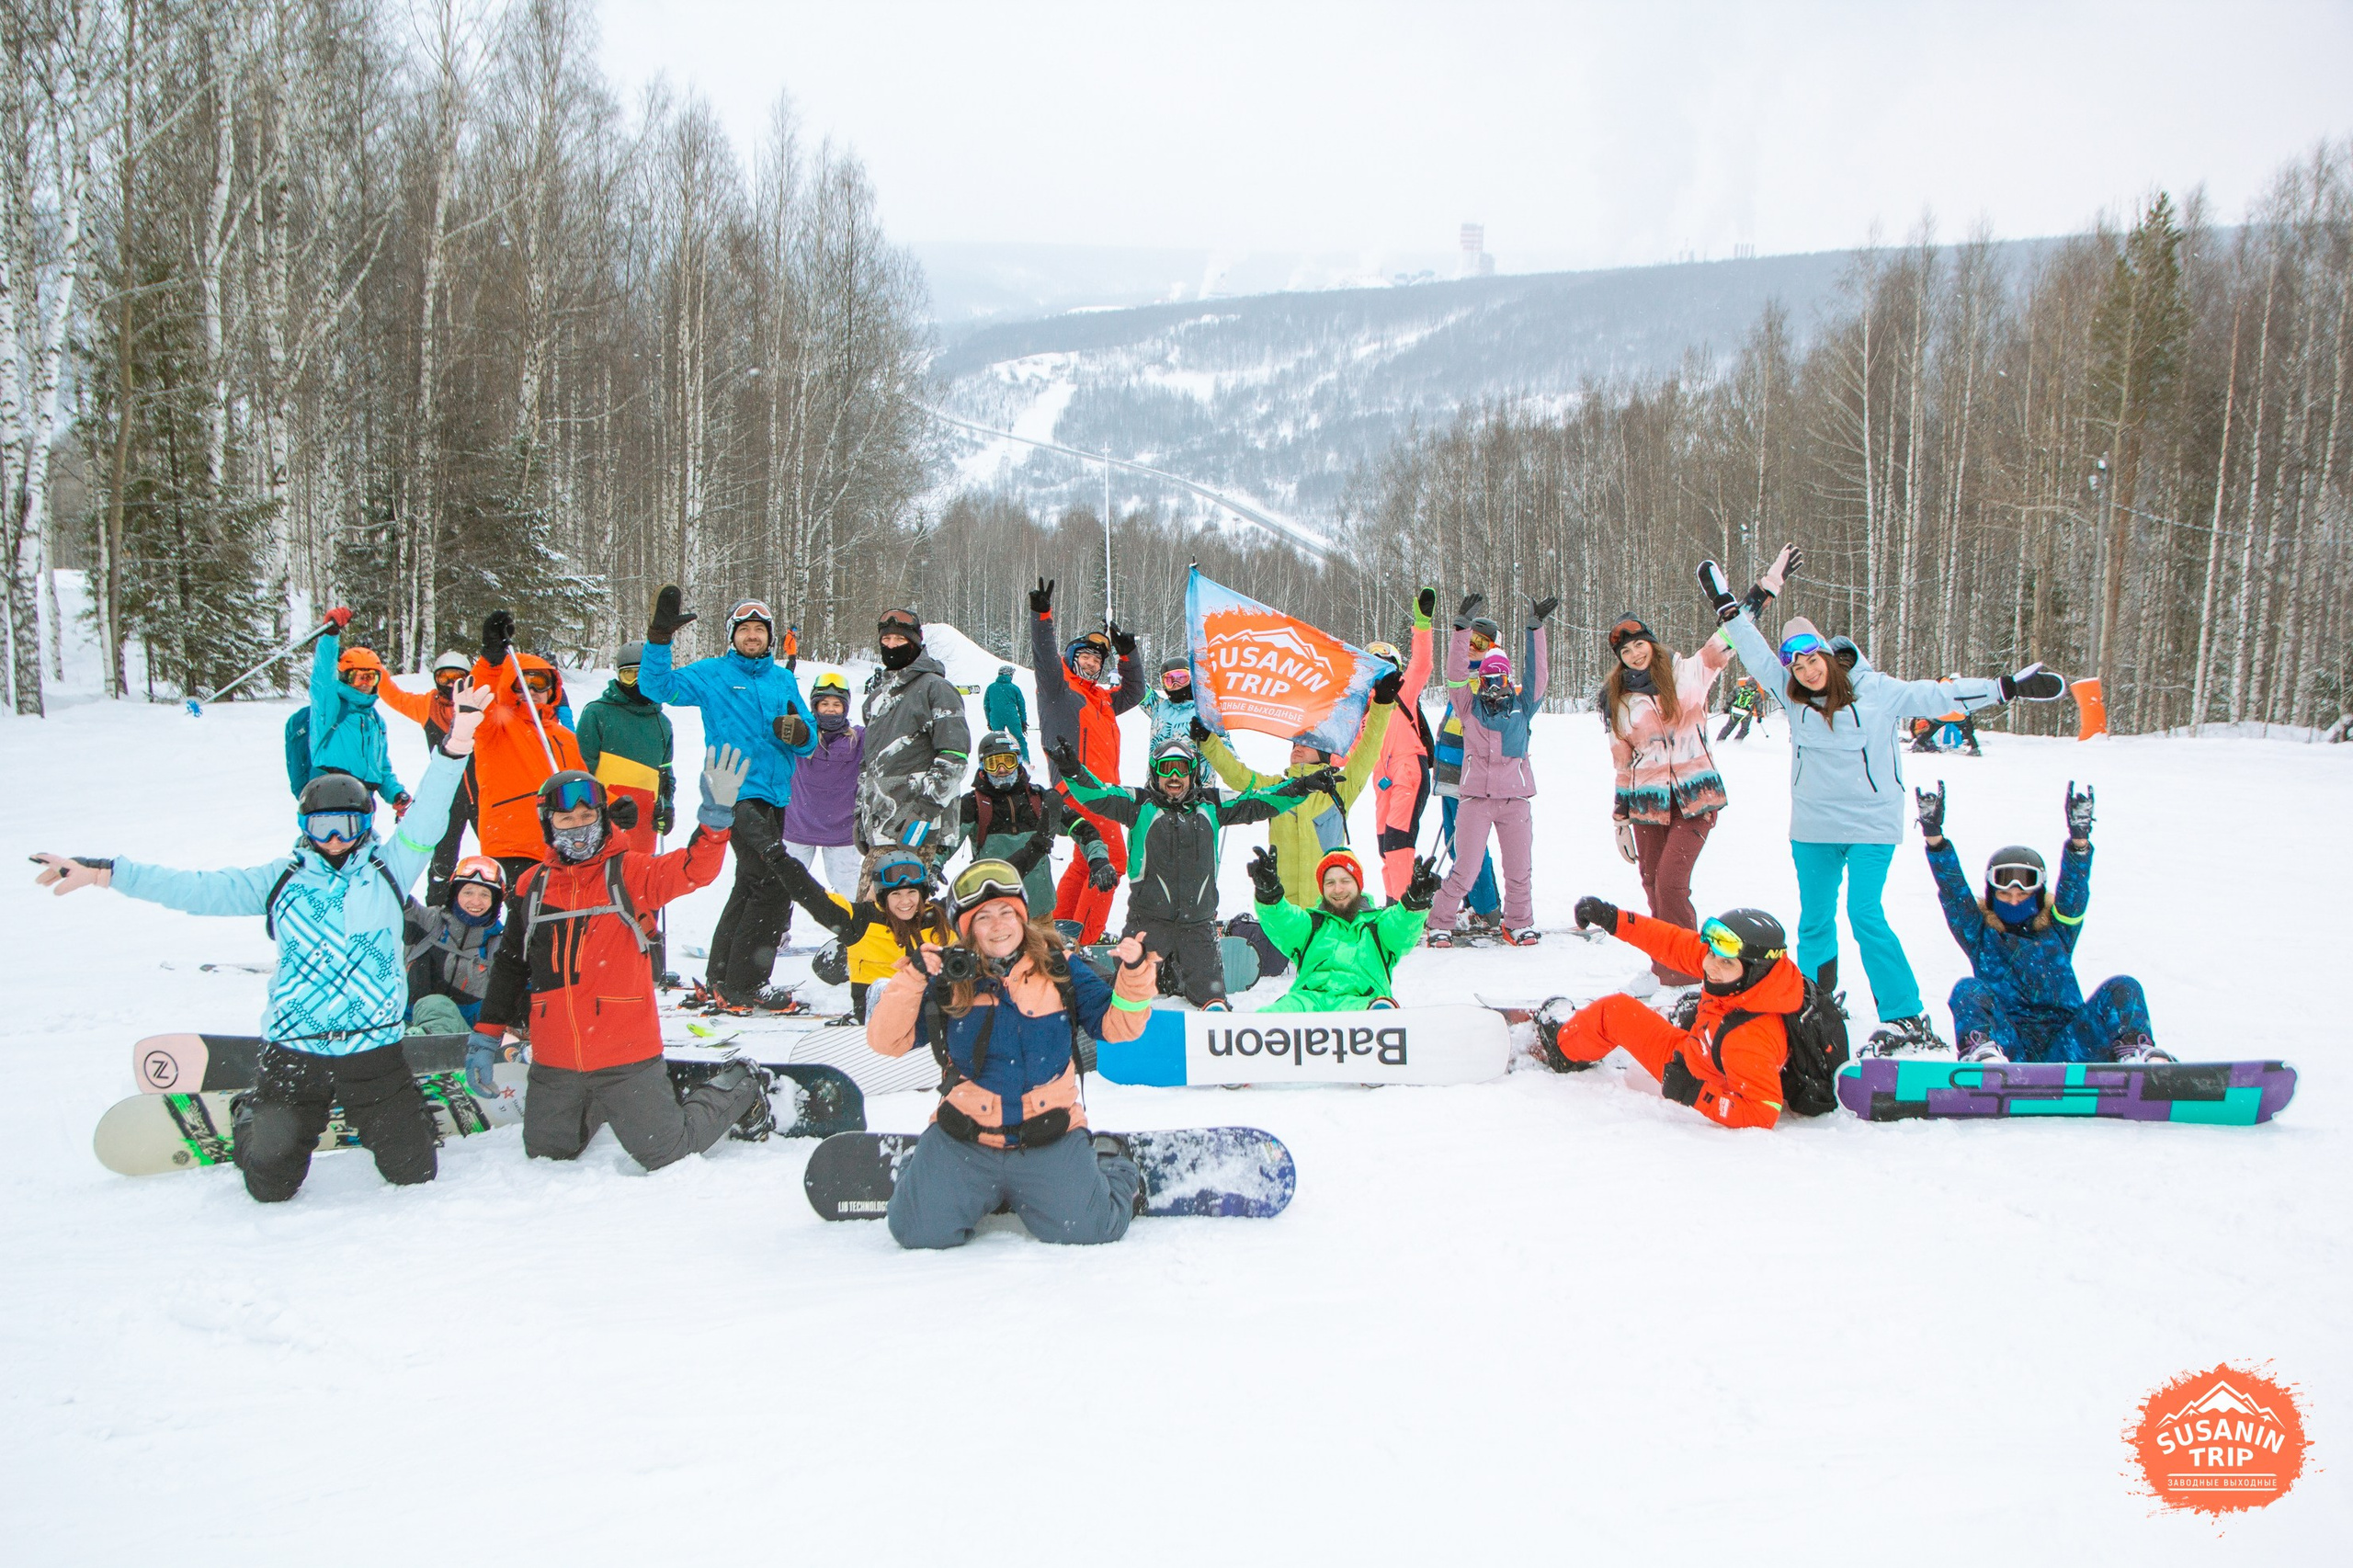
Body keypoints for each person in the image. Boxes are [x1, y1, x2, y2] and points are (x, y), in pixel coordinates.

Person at [33, 686, 489, 1201]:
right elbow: (196, 888)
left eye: (347, 825)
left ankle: (383, 1116)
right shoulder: (283, 880)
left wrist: (458, 741)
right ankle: (252, 1111)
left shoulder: (389, 869)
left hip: (374, 1049)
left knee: (414, 1172)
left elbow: (429, 814)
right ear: (305, 827)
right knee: (270, 1186)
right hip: (295, 1051)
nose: (335, 839)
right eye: (322, 826)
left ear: (366, 826)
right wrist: (107, 874)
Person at [1710, 551, 2068, 1053]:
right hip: (1813, 825)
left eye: (1813, 659)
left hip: (1872, 824)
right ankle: (1814, 1003)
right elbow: (1753, 651)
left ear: (1828, 657)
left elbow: (1937, 697)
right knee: (1813, 920)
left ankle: (1904, 1015)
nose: (1806, 670)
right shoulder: (1789, 693)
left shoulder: (1875, 691)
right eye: (1796, 663)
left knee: (1865, 913)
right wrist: (1728, 608)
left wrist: (2005, 689)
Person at [474, 749, 775, 1169]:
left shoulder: (629, 872)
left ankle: (742, 1084)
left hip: (625, 1054)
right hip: (556, 1057)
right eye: (565, 820)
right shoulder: (532, 885)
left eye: (586, 818)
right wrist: (486, 1034)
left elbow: (694, 870)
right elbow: (511, 963)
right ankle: (598, 1105)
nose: (577, 829)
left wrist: (715, 821)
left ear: (601, 817)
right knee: (547, 1155)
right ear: (548, 824)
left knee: (666, 1152)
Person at [865, 858, 1155, 1249]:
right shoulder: (949, 978)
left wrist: (1134, 972)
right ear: (967, 929)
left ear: (1022, 918)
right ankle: (930, 1172)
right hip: (965, 1137)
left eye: (1007, 912)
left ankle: (1108, 1160)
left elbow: (1118, 1027)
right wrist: (914, 977)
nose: (998, 925)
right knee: (916, 1231)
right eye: (983, 917)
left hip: (1047, 1134)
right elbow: (887, 1042)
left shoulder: (1060, 969)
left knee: (1091, 1229)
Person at [634, 587, 818, 1012]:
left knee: (751, 883)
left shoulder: (782, 678)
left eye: (759, 630)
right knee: (773, 884)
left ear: (770, 638)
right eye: (745, 629)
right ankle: (746, 984)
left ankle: (721, 976)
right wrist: (660, 638)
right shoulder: (713, 674)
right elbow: (656, 686)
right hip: (730, 789)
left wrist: (801, 733)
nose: (752, 636)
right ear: (732, 636)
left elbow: (807, 739)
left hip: (775, 794)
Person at [1915, 780, 2168, 1064]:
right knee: (1967, 990)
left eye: (2022, 892)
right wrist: (1935, 840)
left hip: (2070, 1045)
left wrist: (2079, 843)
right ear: (1991, 894)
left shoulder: (2059, 929)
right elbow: (1954, 892)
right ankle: (1983, 1057)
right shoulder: (1979, 934)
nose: (2013, 901)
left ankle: (2138, 1058)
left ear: (2036, 896)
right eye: (2004, 893)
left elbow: (2074, 890)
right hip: (2009, 1048)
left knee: (2123, 985)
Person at [1056, 733, 1315, 1009]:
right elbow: (1096, 795)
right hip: (1147, 924)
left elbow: (1261, 801)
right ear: (1155, 774)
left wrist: (1303, 786)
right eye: (1166, 769)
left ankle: (1174, 977)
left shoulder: (1211, 805)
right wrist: (1073, 770)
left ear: (1193, 774)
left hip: (1198, 926)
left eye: (1182, 768)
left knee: (1213, 1004)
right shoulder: (1140, 804)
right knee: (1123, 1000)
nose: (1175, 776)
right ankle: (1099, 972)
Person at [1600, 614, 1734, 987]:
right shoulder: (1619, 701)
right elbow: (1623, 764)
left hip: (1695, 800)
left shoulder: (1687, 674)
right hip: (1647, 805)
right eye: (1625, 651)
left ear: (1652, 643)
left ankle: (1687, 970)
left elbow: (1729, 636)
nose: (1635, 654)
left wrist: (1765, 587)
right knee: (1651, 883)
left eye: (1639, 644)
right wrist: (1620, 821)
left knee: (1671, 883)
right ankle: (1665, 963)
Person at [1198, 668, 1399, 908]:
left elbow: (1368, 749)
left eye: (1307, 743)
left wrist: (1381, 704)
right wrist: (1208, 741)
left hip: (1327, 906)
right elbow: (1238, 776)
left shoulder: (1340, 788)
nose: (1298, 748)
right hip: (1284, 909)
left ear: (1324, 752)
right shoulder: (1275, 788)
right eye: (1295, 743)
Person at [1427, 592, 1557, 946]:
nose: (1495, 682)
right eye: (1489, 675)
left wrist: (1535, 629)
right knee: (1464, 870)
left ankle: (1519, 922)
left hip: (1515, 800)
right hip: (1476, 800)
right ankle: (1440, 921)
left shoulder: (1522, 706)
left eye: (1501, 675)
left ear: (1509, 677)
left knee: (1519, 872)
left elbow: (1539, 673)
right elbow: (1455, 674)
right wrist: (1461, 629)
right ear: (1480, 678)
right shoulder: (1469, 707)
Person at [1027, 577, 1146, 941]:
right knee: (1113, 860)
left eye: (1098, 659)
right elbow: (1044, 656)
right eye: (1085, 656)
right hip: (1078, 787)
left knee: (1086, 861)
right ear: (1070, 658)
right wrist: (1041, 615)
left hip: (1103, 792)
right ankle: (1087, 941)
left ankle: (1057, 934)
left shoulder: (1103, 699)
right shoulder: (1058, 689)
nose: (1092, 663)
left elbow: (1135, 691)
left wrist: (1128, 655)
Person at [467, 611, 586, 885]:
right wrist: (491, 661)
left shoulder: (565, 738)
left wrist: (613, 807)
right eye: (522, 684)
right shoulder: (495, 725)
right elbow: (475, 698)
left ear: (552, 688)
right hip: (512, 847)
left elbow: (580, 785)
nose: (531, 690)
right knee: (522, 922)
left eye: (540, 683)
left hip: (562, 845)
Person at [857, 608, 972, 890]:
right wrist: (860, 813)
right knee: (878, 917)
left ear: (917, 641)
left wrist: (922, 813)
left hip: (916, 825)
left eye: (900, 639)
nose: (892, 645)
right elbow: (869, 763)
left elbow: (954, 757)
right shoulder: (877, 698)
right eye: (886, 640)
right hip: (880, 823)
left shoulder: (936, 688)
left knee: (888, 910)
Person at [772, 846, 956, 1023]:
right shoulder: (861, 922)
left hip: (935, 1014)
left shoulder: (941, 917)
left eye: (911, 892)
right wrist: (777, 856)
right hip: (881, 1017)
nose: (905, 901)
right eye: (896, 894)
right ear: (883, 896)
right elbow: (813, 896)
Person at [1251, 846, 1439, 1011]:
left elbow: (1401, 926)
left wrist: (1415, 903)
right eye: (1330, 883)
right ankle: (1234, 1031)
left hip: (1360, 1002)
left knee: (1374, 1011)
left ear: (1358, 885)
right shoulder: (1311, 926)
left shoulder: (1377, 927)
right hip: (1308, 1002)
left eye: (1345, 881)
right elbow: (1283, 920)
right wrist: (1269, 896)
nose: (1338, 889)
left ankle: (1381, 1018)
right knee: (1278, 1013)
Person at [953, 729, 1115, 915]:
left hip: (1038, 912)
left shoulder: (1039, 799)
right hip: (994, 912)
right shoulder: (973, 805)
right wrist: (931, 868)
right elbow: (945, 843)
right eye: (993, 764)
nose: (1002, 770)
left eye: (1008, 761)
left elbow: (1082, 828)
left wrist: (1098, 859)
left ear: (1019, 762)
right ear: (983, 767)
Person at [378, 650, 480, 904]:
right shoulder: (427, 705)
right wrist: (374, 667)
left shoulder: (480, 703)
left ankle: (510, 911)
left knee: (501, 855)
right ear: (435, 679)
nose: (450, 684)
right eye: (444, 677)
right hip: (446, 797)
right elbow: (393, 696)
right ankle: (437, 910)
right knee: (443, 861)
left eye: (457, 678)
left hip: (484, 794)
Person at [1366, 587, 1438, 900]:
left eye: (1385, 666)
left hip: (1408, 769)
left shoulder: (1401, 694)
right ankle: (1394, 901)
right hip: (1382, 782)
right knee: (1386, 843)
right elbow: (1351, 750)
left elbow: (1421, 665)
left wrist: (1422, 626)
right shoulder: (1364, 711)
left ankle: (1405, 909)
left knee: (1398, 840)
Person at [301, 609, 410, 813]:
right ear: (344, 677)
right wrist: (330, 636)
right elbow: (322, 676)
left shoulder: (376, 721)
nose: (365, 684)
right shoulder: (331, 707)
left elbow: (381, 769)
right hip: (329, 798)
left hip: (363, 802)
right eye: (358, 677)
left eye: (371, 678)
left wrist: (396, 793)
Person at [574, 641, 676, 857]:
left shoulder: (662, 723)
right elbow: (579, 771)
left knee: (636, 881)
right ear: (619, 677)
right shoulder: (597, 714)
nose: (638, 684)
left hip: (643, 822)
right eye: (630, 675)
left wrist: (666, 807)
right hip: (604, 819)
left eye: (644, 676)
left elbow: (665, 775)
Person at [404, 854, 506, 1040]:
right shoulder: (429, 922)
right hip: (405, 1028)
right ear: (455, 894)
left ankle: (430, 1045)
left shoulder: (499, 946)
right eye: (468, 892)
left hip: (462, 1041)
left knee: (438, 1005)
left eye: (484, 895)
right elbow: (394, 895)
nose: (475, 901)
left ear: (495, 902)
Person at [780, 669, 864, 898]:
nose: (830, 709)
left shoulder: (858, 739)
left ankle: (854, 933)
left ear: (845, 708)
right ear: (814, 706)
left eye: (837, 704)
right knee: (783, 884)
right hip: (798, 825)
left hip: (842, 831)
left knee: (848, 883)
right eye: (824, 703)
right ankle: (777, 932)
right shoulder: (800, 735)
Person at [1432, 705, 1502, 933]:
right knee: (1456, 848)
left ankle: (1486, 909)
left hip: (1467, 784)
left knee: (1470, 849)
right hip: (1451, 781)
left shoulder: (1480, 690)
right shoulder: (1460, 694)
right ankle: (1474, 904)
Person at [983, 663, 1029, 760]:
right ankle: (1025, 761)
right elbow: (1021, 706)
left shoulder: (991, 687)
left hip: (995, 716)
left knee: (997, 740)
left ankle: (999, 760)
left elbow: (986, 706)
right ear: (1010, 675)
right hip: (1011, 716)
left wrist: (989, 720)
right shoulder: (1014, 688)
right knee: (1019, 739)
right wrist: (1023, 721)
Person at [1717, 676, 1766, 742]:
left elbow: (1730, 698)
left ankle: (1719, 741)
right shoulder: (1756, 694)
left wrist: (1726, 708)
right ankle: (1736, 744)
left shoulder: (1739, 689)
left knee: (1729, 726)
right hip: (1746, 714)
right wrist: (1759, 716)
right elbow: (1759, 706)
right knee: (1744, 730)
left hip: (1735, 711)